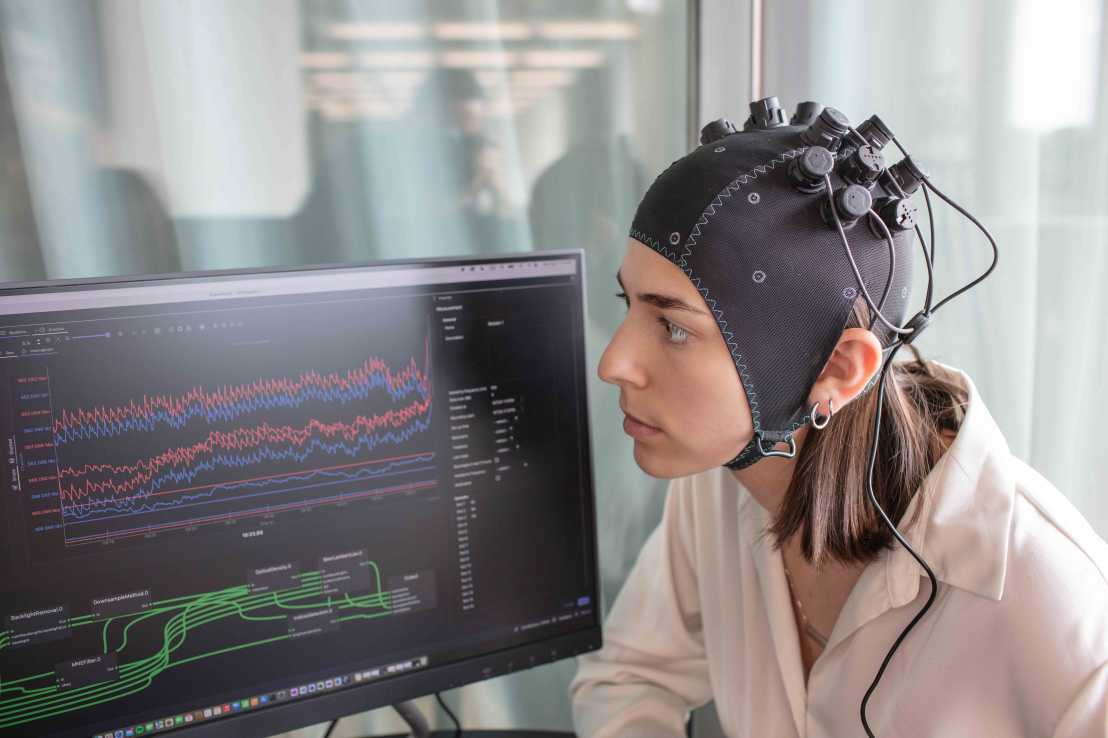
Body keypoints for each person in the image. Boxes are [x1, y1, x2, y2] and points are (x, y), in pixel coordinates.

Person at [568, 101, 1108, 737]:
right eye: (625, 303)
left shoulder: (1051, 593)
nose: (614, 362)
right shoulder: (713, 485)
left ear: (841, 369)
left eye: (673, 327)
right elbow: (630, 676)